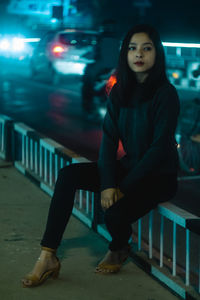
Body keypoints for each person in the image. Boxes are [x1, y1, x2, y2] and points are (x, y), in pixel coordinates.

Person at [22, 23, 180, 287]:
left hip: (158, 176)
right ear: (125, 54)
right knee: (68, 175)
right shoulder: (120, 91)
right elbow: (108, 141)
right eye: (132, 48)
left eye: (146, 48)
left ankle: (119, 246)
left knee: (113, 213)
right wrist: (108, 185)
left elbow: (159, 148)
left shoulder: (166, 94)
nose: (138, 54)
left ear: (157, 54)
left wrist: (123, 188)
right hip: (129, 166)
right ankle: (48, 255)